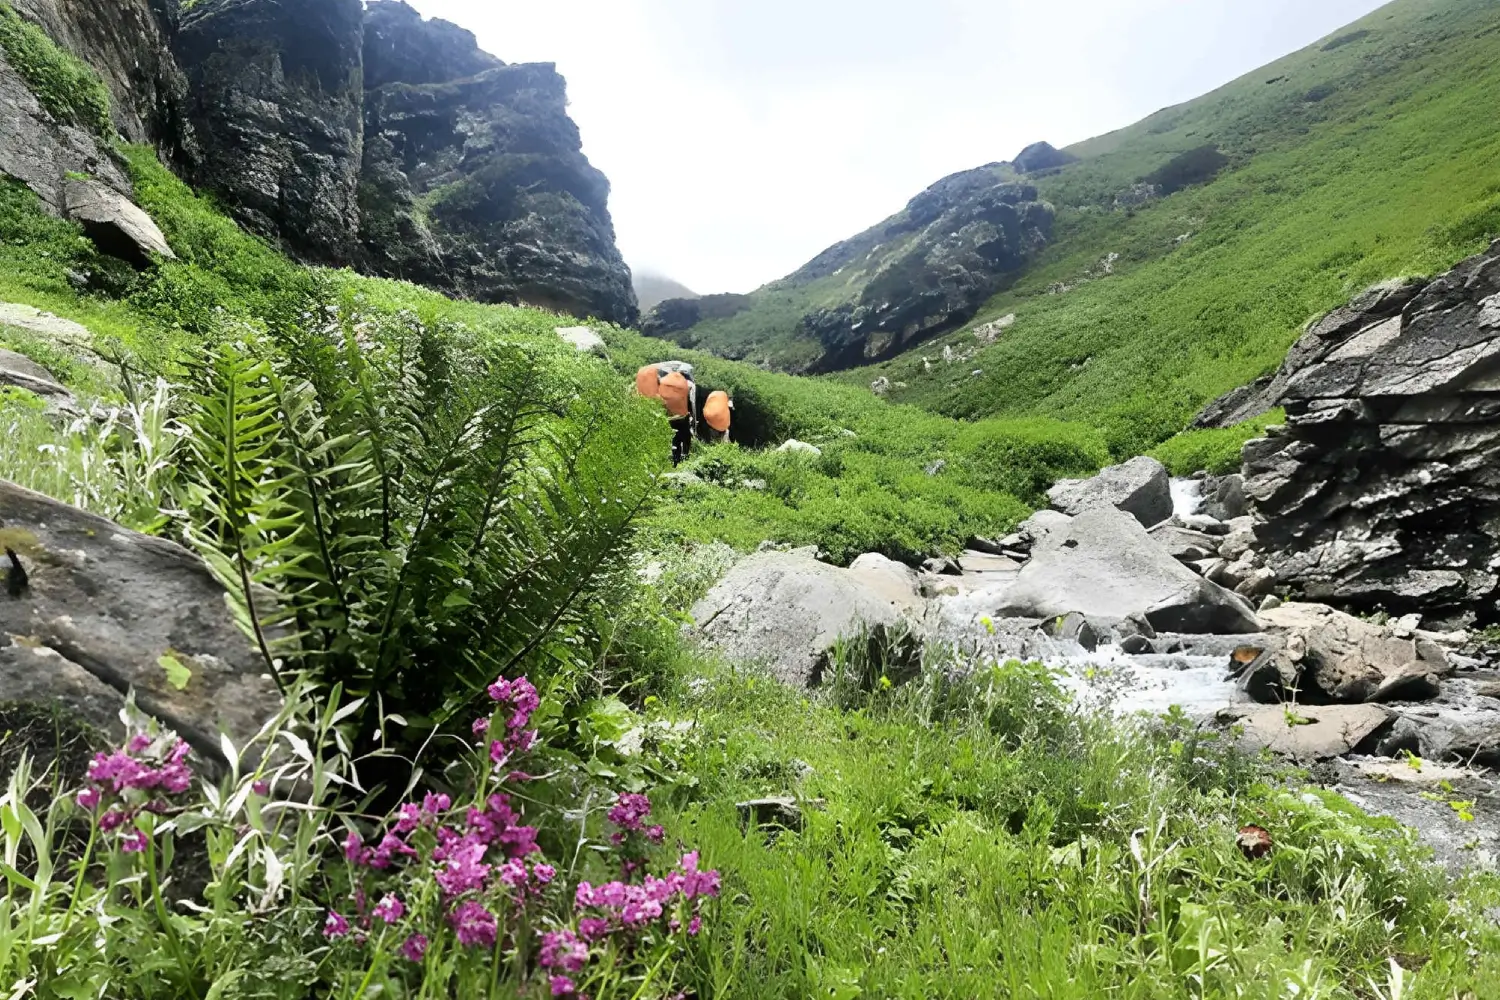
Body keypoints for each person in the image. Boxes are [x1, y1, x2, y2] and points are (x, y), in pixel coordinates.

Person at [636, 361, 698, 465]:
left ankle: (675, 460)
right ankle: (686, 458)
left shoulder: (665, 383)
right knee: (686, 437)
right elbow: (691, 403)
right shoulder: (688, 385)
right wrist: (693, 418)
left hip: (670, 417)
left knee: (675, 438)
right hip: (683, 416)